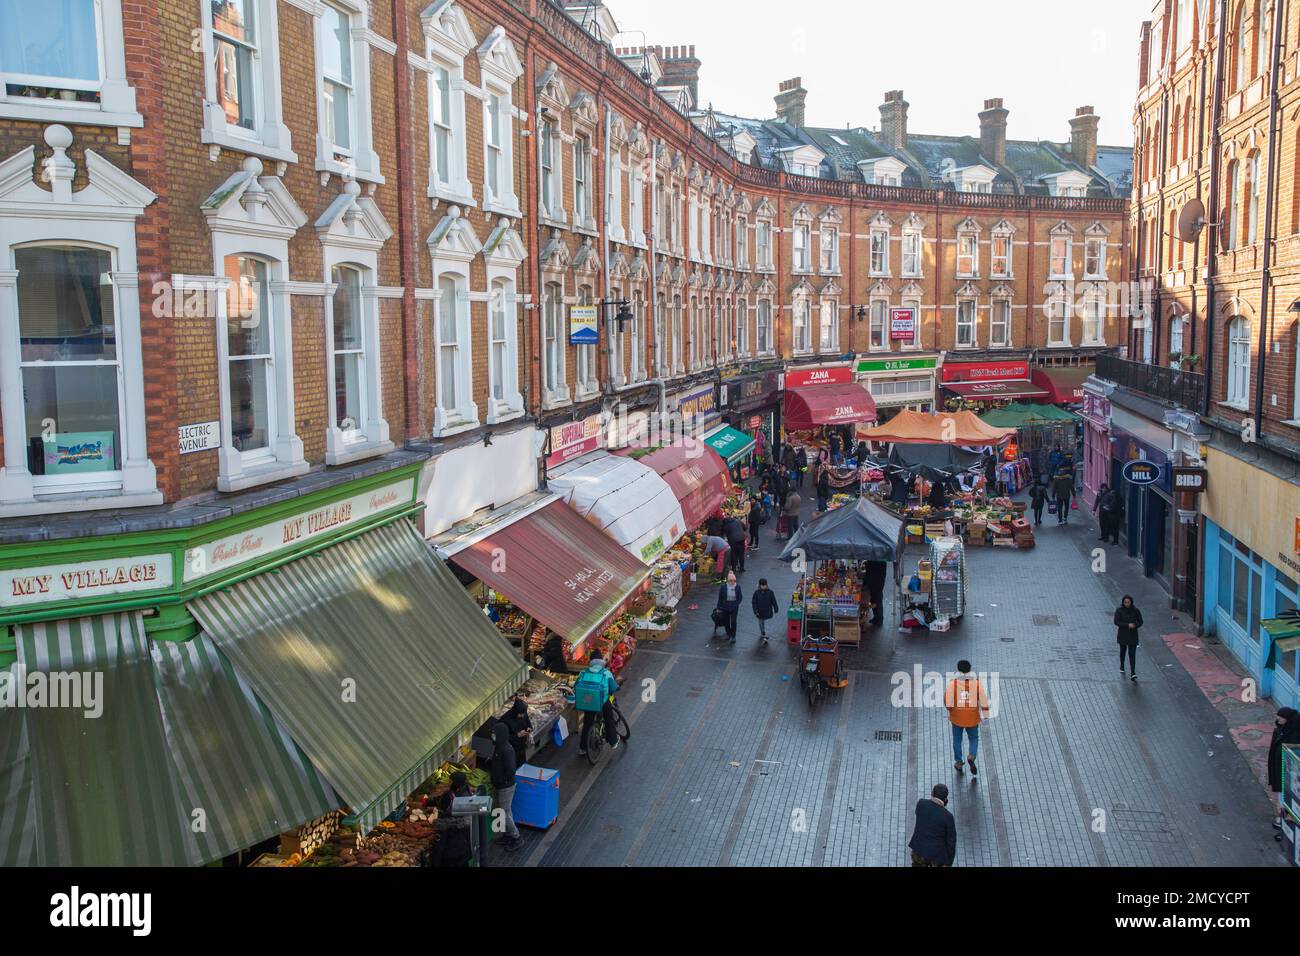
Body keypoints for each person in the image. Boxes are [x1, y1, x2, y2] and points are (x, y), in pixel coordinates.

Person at [945, 660, 990, 776]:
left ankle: (958, 762)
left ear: (958, 670)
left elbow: (948, 703)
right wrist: (985, 717)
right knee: (973, 738)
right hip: (972, 717)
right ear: (969, 670)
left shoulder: (952, 684)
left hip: (957, 718)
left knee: (957, 739)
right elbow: (984, 700)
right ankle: (971, 755)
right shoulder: (976, 683)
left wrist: (951, 711)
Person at [576, 654, 620, 755]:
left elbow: (577, 685)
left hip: (588, 701)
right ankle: (613, 741)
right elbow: (613, 688)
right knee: (609, 718)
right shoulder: (606, 673)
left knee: (587, 723)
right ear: (601, 662)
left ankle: (583, 748)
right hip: (602, 701)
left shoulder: (583, 672)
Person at [1267, 707, 1300, 838]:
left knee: (1286, 798)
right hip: (1278, 767)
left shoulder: (1294, 735)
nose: (1278, 719)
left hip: (1288, 773)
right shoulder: (1280, 730)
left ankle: (1285, 823)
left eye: (1281, 717)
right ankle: (1282, 820)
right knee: (1281, 796)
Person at [489, 720, 522, 849]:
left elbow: (511, 770)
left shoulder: (506, 750)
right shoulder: (499, 747)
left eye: (495, 734)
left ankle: (516, 837)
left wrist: (501, 781)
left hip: (506, 787)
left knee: (505, 812)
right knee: (505, 811)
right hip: (501, 786)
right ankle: (507, 835)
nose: (493, 737)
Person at [908, 784, 957, 868]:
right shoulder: (948, 817)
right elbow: (951, 842)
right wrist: (949, 862)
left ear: (932, 793)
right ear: (945, 799)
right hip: (937, 856)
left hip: (919, 851)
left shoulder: (921, 804)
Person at [434, 771, 475, 867]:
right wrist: (427, 802)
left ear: (456, 783)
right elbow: (444, 798)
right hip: (452, 836)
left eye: (451, 781)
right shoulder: (454, 791)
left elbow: (467, 821)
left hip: (458, 841)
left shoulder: (465, 799)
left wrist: (447, 823)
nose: (449, 783)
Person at [1114, 595, 1142, 681]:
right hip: (1123, 635)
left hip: (1132, 635)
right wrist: (1127, 625)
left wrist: (1135, 625)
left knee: (1132, 654)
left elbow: (1140, 621)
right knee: (1123, 651)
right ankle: (1122, 664)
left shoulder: (1136, 610)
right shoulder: (1119, 610)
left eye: (1128, 602)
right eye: (1125, 602)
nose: (1127, 604)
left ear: (1131, 602)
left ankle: (1133, 672)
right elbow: (1116, 622)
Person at [501, 697, 532, 767]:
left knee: (522, 766)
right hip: (511, 750)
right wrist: (517, 735)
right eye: (520, 714)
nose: (522, 716)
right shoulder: (505, 720)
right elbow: (502, 738)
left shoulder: (523, 713)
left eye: (523, 714)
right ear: (515, 711)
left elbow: (528, 723)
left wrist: (529, 728)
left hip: (521, 747)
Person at [715, 570, 743, 643]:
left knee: (733, 622)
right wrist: (718, 607)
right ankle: (728, 634)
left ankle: (733, 636)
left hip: (734, 607)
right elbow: (720, 598)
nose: (732, 582)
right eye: (731, 580)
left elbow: (740, 597)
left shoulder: (738, 587)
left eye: (734, 580)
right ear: (728, 580)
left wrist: (736, 604)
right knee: (726, 621)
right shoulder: (723, 587)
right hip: (725, 607)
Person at [751, 577, 779, 645]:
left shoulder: (770, 592)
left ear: (766, 585)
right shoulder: (756, 593)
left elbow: (773, 601)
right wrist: (755, 611)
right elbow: (754, 602)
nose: (763, 586)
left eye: (764, 585)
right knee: (761, 624)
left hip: (768, 612)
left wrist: (776, 608)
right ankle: (763, 632)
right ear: (759, 585)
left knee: (767, 625)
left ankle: (766, 637)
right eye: (762, 585)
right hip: (759, 613)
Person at [862, 559, 888, 626]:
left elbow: (872, 570)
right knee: (875, 598)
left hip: (876, 579)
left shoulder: (878, 559)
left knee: (877, 598)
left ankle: (879, 619)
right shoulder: (878, 557)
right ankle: (877, 618)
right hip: (876, 578)